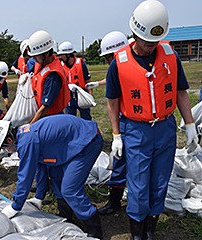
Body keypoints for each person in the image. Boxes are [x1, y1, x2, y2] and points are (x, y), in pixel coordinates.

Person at [106, 1, 198, 239]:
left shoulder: (171, 56)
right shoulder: (119, 63)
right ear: (135, 34)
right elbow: (113, 101)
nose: (151, 47)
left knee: (160, 182)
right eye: (147, 42)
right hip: (135, 130)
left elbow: (180, 92)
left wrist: (189, 125)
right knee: (138, 186)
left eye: (155, 42)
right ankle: (137, 233)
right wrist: (116, 134)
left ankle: (150, 230)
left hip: (165, 128)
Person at [0, 115, 104, 239]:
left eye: (5, 148)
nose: (8, 151)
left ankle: (93, 224)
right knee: (56, 177)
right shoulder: (25, 136)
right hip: (70, 142)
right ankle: (66, 215)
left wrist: (15, 206)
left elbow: (25, 177)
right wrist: (39, 196)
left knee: (70, 189)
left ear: (10, 140)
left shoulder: (27, 142)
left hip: (88, 141)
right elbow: (41, 168)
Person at [87, 31, 130, 216]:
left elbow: (112, 101)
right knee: (122, 161)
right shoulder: (124, 64)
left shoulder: (124, 65)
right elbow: (113, 78)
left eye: (107, 58)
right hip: (128, 121)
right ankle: (118, 201)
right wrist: (98, 83)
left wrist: (116, 134)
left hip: (128, 122)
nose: (107, 62)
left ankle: (115, 203)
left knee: (120, 162)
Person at [27, 30, 70, 124]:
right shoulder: (41, 64)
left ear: (46, 54)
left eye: (36, 56)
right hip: (41, 114)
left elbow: (46, 106)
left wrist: (30, 126)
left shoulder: (53, 76)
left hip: (52, 118)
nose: (33, 59)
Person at [57, 41, 93, 120]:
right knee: (70, 119)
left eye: (61, 55)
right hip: (69, 97)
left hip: (81, 94)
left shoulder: (81, 64)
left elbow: (88, 81)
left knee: (86, 118)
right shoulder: (61, 66)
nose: (60, 58)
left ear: (68, 54)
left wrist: (90, 96)